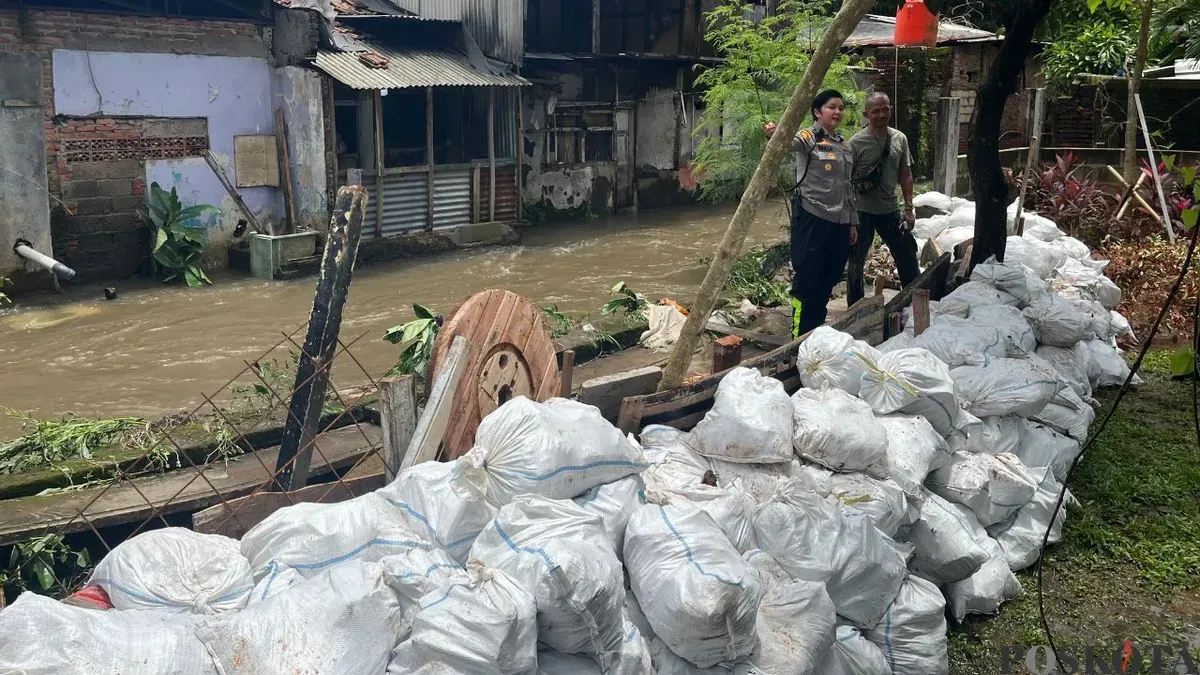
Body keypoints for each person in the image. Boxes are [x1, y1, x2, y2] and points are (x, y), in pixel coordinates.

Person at [764, 89, 859, 339]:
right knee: (807, 281)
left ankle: (815, 334)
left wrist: (852, 223)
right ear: (817, 112)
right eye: (832, 107)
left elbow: (847, 186)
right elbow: (786, 143)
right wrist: (775, 133)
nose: (838, 112)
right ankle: (798, 337)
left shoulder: (843, 144)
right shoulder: (808, 138)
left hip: (839, 223)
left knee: (829, 278)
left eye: (841, 107)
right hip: (813, 218)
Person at [846, 92, 919, 307]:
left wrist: (909, 208)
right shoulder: (856, 143)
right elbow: (845, 180)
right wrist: (849, 217)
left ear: (891, 110)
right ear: (866, 114)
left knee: (906, 255)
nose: (881, 114)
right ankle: (855, 309)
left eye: (885, 109)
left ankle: (911, 302)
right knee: (856, 262)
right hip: (861, 213)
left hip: (890, 210)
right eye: (875, 111)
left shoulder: (899, 138)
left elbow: (905, 174)